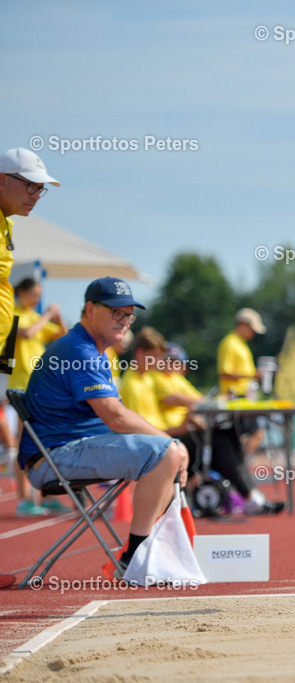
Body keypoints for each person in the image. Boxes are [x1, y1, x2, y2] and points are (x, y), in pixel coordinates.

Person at [16, 277, 189, 573]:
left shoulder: (94, 351)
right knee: (167, 452)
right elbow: (116, 416)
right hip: (52, 458)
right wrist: (174, 444)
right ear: (90, 310)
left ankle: (144, 553)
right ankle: (136, 558)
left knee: (167, 452)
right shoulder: (79, 350)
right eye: (116, 312)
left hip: (63, 450)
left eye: (129, 315)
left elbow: (115, 417)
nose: (124, 321)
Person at [0, 149, 60, 583]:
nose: (37, 194)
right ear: (2, 179)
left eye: (41, 187)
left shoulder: (5, 224)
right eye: (30, 184)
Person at [149, 339, 284, 515]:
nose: (175, 366)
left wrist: (213, 401)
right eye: (171, 361)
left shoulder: (174, 378)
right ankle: (249, 497)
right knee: (219, 443)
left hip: (183, 431)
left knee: (228, 436)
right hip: (171, 435)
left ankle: (250, 494)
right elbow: (178, 399)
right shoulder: (158, 379)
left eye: (177, 362)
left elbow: (197, 398)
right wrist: (210, 403)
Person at [9, 277, 68, 517]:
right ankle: (23, 500)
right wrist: (46, 315)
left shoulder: (35, 315)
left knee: (44, 442)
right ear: (21, 293)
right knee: (24, 442)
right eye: (33, 294)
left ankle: (44, 494)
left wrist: (58, 317)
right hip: (21, 386)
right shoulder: (12, 313)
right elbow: (27, 333)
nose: (37, 299)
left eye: (39, 294)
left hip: (40, 385)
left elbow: (61, 335)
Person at [218, 307, 266, 456]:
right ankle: (238, 467)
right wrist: (252, 375)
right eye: (252, 328)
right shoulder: (230, 343)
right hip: (236, 398)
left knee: (247, 437)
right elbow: (224, 373)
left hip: (245, 397)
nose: (253, 333)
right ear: (243, 324)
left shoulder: (241, 345)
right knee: (254, 434)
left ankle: (238, 466)